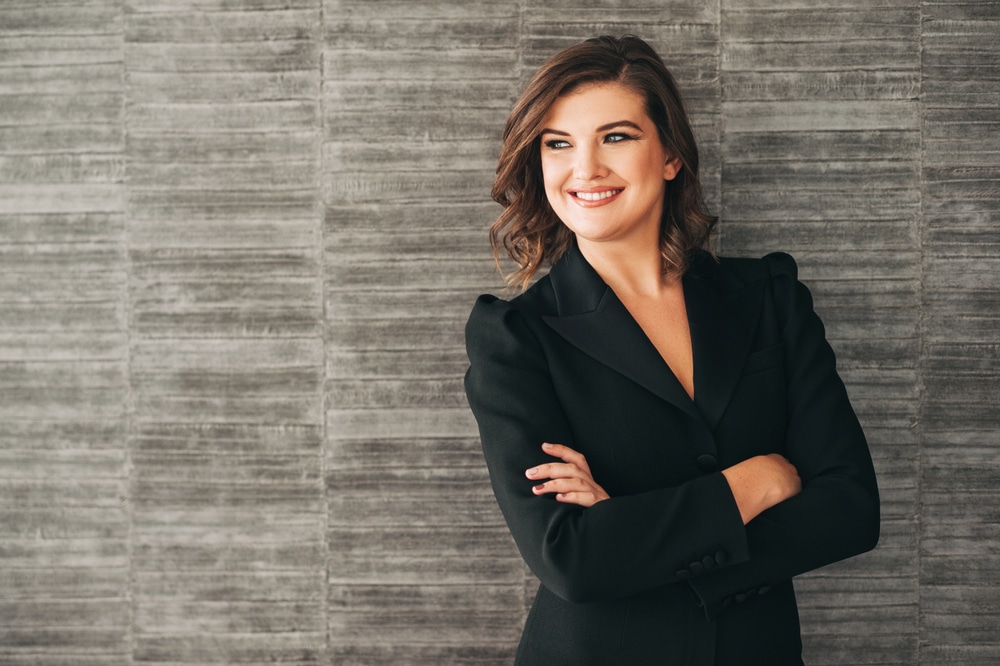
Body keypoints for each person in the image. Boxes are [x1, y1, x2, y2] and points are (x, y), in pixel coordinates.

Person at [463, 35, 880, 665]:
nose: (586, 169)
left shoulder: (768, 295)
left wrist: (632, 532)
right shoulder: (516, 336)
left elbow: (850, 508)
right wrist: (754, 481)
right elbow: (571, 559)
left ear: (670, 156)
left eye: (617, 136)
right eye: (559, 144)